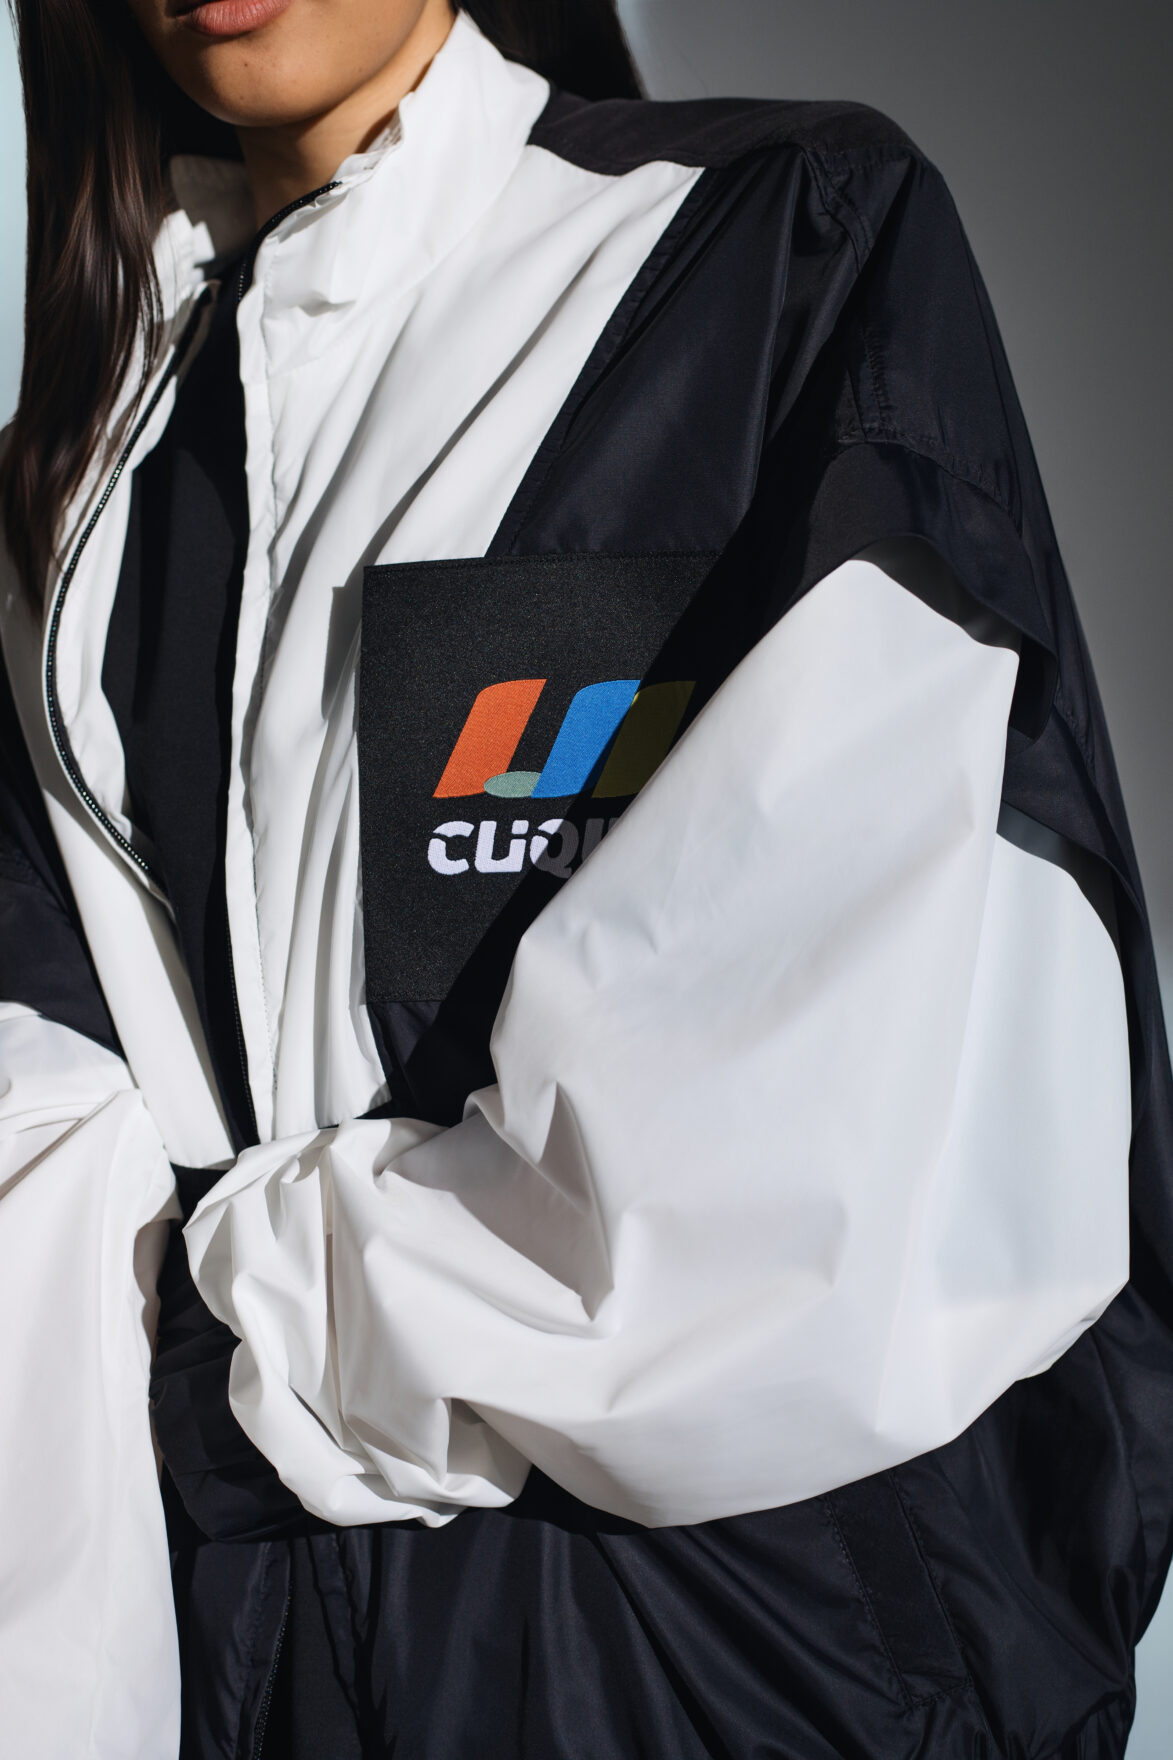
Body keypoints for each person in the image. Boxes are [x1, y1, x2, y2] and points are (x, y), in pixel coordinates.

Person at [1, 0, 1170, 1754]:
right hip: (261, 1660)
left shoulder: (761, 252)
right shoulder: (78, 490)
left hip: (728, 1654)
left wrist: (210, 1349)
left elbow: (810, 1143)